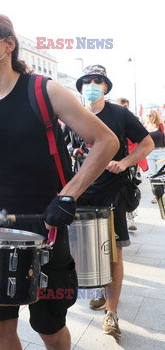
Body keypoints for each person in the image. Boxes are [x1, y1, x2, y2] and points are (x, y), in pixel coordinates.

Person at [0, 12, 119, 350]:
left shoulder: (44, 91)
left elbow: (107, 141)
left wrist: (69, 196)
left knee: (50, 329)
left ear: (7, 43)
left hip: (47, 227)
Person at [70, 65, 154, 337]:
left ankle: (110, 312)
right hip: (82, 193)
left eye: (98, 81)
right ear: (80, 86)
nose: (92, 85)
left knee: (113, 251)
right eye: (87, 81)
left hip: (112, 192)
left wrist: (126, 162)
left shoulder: (119, 113)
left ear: (106, 87)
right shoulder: (73, 114)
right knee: (88, 250)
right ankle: (98, 288)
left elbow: (147, 143)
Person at [115, 97, 144, 229]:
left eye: (127, 106)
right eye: (122, 105)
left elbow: (143, 142)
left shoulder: (131, 120)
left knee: (129, 188)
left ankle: (131, 218)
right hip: (116, 160)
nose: (125, 108)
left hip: (130, 160)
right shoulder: (113, 119)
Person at [144, 109, 165, 181]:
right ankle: (156, 191)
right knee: (153, 176)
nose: (148, 117)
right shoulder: (145, 127)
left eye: (150, 115)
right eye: (147, 115)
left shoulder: (161, 126)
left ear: (155, 116)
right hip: (150, 152)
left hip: (161, 151)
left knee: (161, 174)